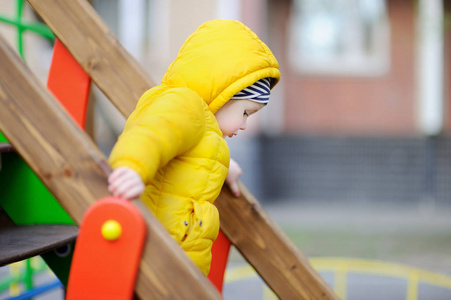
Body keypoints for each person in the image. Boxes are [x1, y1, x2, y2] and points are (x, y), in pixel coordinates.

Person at [107, 19, 280, 275]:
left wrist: (223, 169)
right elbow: (153, 132)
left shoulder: (202, 126)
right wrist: (132, 167)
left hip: (177, 257)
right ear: (223, 93)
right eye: (245, 112)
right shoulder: (184, 105)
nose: (244, 124)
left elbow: (193, 161)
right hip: (157, 254)